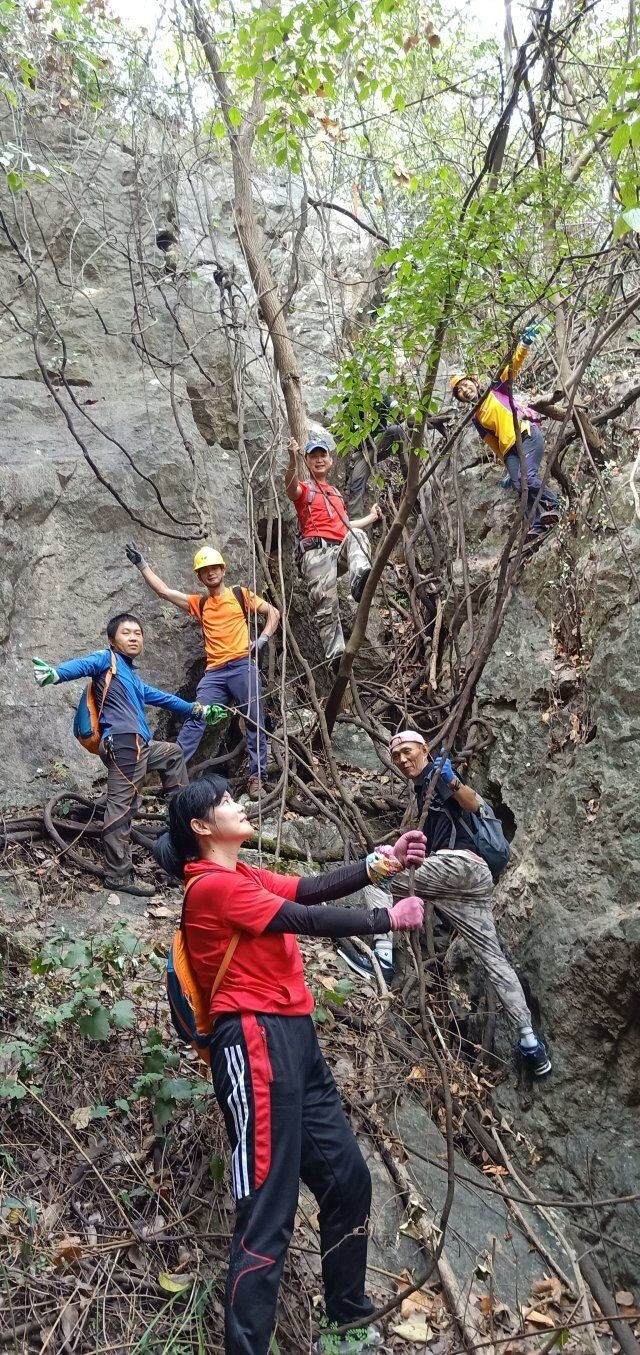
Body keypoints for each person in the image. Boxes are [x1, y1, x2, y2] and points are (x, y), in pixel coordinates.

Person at [153, 776, 425, 1355]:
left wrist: (382, 866)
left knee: (347, 1179)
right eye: (226, 802)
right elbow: (300, 921)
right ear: (202, 827)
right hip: (252, 1041)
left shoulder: (243, 875)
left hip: (295, 1037)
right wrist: (385, 921)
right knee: (268, 1209)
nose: (239, 805)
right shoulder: (208, 889)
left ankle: (347, 1324)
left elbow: (309, 889)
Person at [338, 731, 551, 1078]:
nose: (403, 760)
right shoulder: (424, 788)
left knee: (379, 870)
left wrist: (449, 779)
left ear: (424, 749)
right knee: (493, 958)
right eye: (396, 758)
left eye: (407, 752)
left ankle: (383, 959)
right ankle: (530, 1041)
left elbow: (473, 803)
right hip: (472, 883)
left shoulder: (436, 776)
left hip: (459, 865)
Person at [32, 613, 220, 897]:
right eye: (126, 633)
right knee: (121, 810)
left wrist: (198, 710)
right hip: (124, 742)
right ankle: (118, 875)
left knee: (172, 753)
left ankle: (178, 814)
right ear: (112, 640)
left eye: (138, 633)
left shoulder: (132, 676)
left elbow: (164, 698)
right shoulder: (105, 660)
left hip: (138, 745)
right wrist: (56, 674)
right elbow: (82, 665)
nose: (134, 637)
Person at [125, 544, 280, 799]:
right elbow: (164, 592)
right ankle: (174, 775)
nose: (210, 573)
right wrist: (142, 565)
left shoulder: (240, 594)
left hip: (242, 664)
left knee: (254, 719)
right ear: (199, 576)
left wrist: (261, 641)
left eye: (214, 568)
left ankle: (257, 778)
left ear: (222, 569)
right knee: (195, 717)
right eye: (204, 570)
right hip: (216, 672)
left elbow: (272, 612)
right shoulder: (201, 602)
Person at [450, 323, 560, 540]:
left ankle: (554, 505)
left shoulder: (494, 389)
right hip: (509, 450)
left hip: (526, 434)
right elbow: (492, 442)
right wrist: (507, 467)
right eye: (460, 392)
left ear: (474, 382)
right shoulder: (476, 417)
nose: (465, 391)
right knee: (520, 483)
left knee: (526, 478)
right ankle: (538, 524)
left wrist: (524, 344)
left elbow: (512, 368)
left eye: (465, 385)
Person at [285, 434, 382, 666]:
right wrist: (292, 459)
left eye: (323, 455)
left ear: (329, 460)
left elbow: (346, 525)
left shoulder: (335, 493)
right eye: (313, 456)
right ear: (307, 461)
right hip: (315, 553)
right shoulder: (305, 489)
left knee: (357, 536)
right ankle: (336, 656)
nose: (319, 460)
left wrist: (371, 516)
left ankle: (360, 580)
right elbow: (290, 488)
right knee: (326, 606)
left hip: (337, 550)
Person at [345, 394, 406, 520]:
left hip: (380, 443)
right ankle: (355, 526)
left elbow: (398, 411)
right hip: (363, 453)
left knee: (396, 430)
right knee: (356, 482)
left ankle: (408, 475)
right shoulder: (352, 405)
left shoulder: (380, 398)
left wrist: (399, 411)